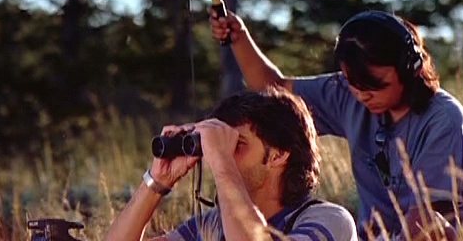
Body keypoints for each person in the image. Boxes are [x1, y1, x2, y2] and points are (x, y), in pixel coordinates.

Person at [210, 9, 463, 241]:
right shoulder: (347, 96)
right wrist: (239, 37)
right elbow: (275, 89)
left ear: (410, 68)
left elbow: (424, 220)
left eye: (376, 86)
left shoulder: (444, 119)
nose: (363, 95)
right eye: (354, 84)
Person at [105, 86, 358, 241]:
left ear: (278, 155)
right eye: (218, 144)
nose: (218, 153)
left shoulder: (329, 221)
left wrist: (222, 160)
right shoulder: (213, 225)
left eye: (236, 144)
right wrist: (156, 182)